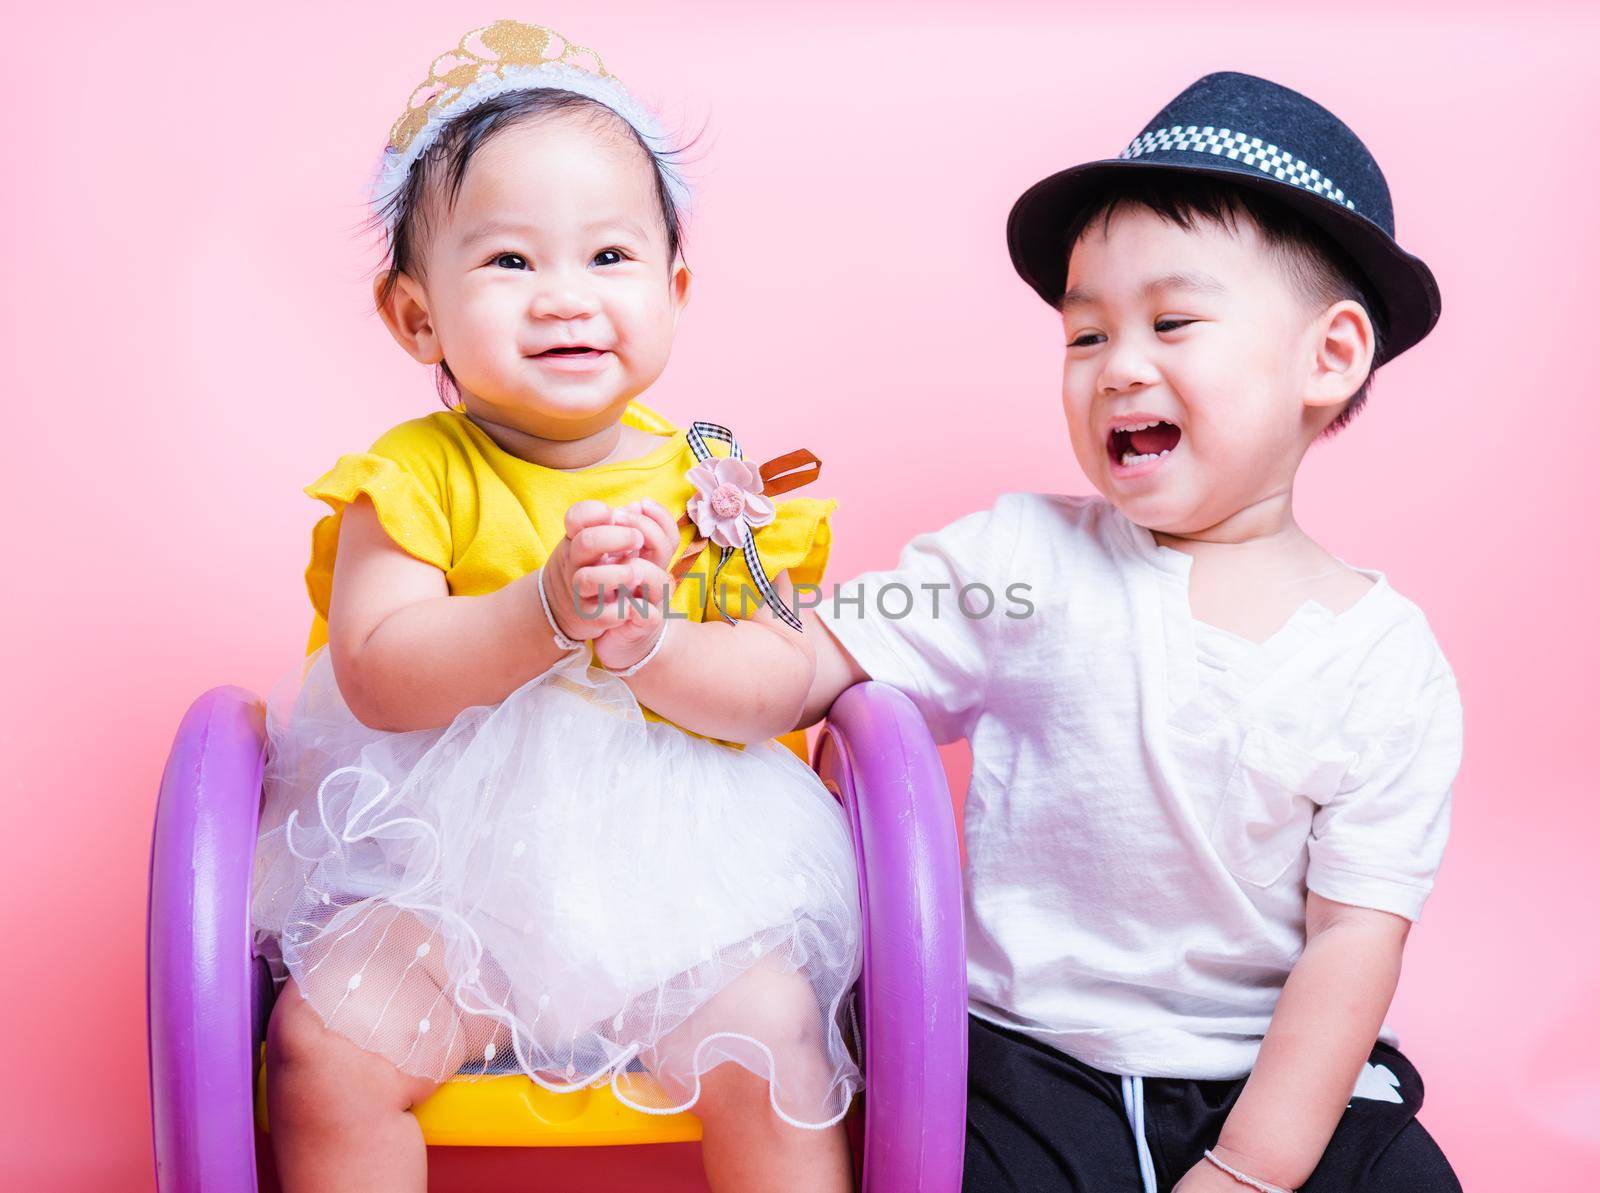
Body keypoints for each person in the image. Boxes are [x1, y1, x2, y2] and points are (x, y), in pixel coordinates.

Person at [800, 72, 1463, 1193]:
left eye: (1171, 322)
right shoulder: (1021, 567)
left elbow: (1354, 942)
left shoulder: (1384, 658)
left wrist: (1250, 1167)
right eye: (1084, 332)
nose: (1118, 366)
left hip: (1269, 1071)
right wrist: (664, 648)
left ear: (1329, 357)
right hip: (1029, 1055)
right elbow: (813, 657)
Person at [250, 22, 860, 1193]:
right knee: (324, 1048)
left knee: (773, 1032)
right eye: (511, 264)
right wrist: (541, 612)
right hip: (443, 895)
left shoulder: (713, 477)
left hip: (688, 900)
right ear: (416, 317)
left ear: (674, 288)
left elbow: (780, 678)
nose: (564, 299)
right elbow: (377, 669)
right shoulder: (416, 475)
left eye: (610, 257)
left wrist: (647, 646)